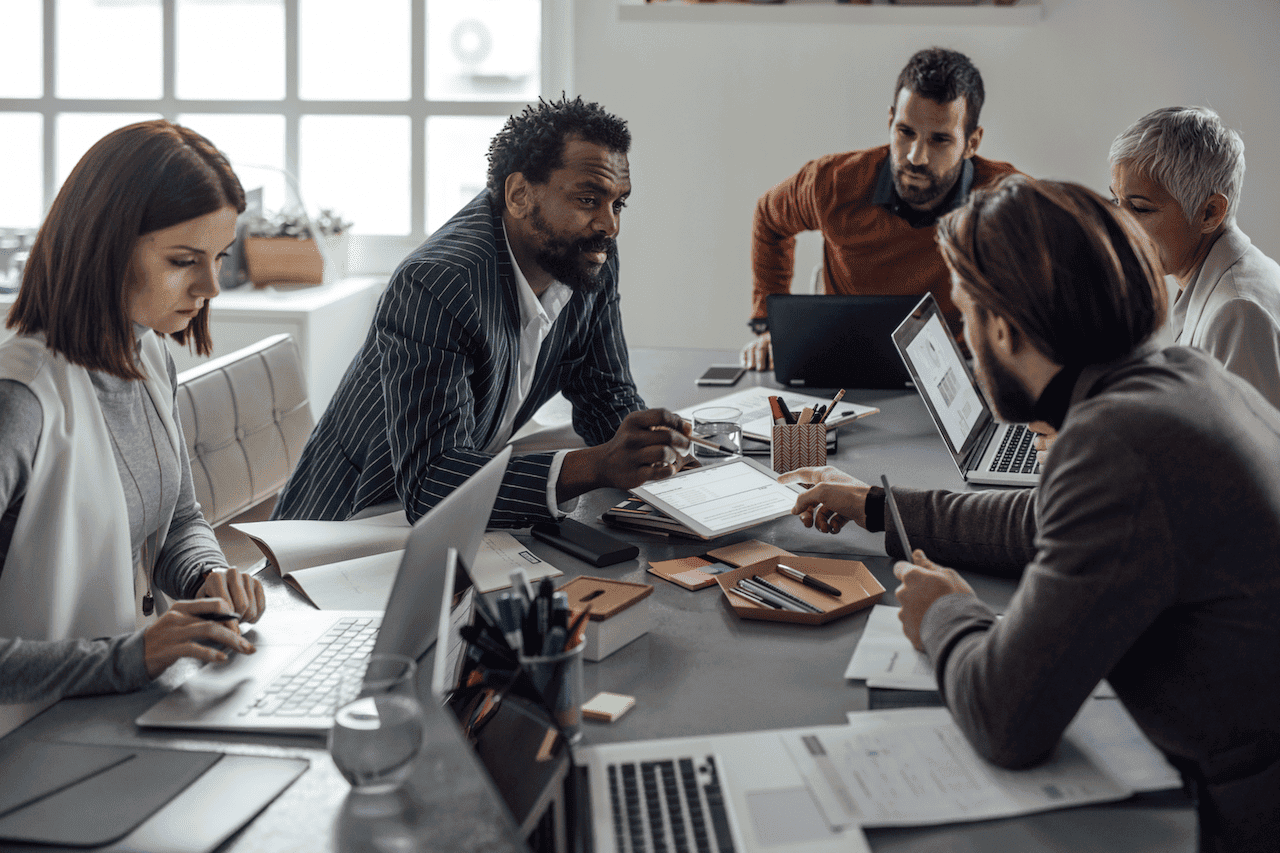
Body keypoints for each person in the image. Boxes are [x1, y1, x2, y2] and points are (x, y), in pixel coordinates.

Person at [784, 176, 1280, 852]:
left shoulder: (1120, 441)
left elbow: (1004, 718)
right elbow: (1046, 519)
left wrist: (943, 612)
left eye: (965, 321)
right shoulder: (1175, 378)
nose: (965, 345)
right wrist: (878, 506)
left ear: (1007, 329)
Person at [272, 96, 689, 528]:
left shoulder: (585, 255)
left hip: (457, 496)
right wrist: (597, 465)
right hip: (353, 523)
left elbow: (604, 392)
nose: (609, 225)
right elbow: (432, 485)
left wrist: (648, 453)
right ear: (520, 194)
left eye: (618, 203)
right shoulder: (437, 283)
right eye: (588, 199)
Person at [0, 121, 266, 724]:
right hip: (25, 735)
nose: (209, 286)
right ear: (105, 245)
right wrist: (127, 659)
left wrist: (207, 576)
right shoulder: (20, 402)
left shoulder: (148, 352)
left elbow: (178, 519)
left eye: (218, 258)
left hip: (111, 712)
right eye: (182, 260)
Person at [741, 46, 1018, 370]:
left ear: (971, 142)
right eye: (905, 132)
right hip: (846, 363)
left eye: (939, 140)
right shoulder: (831, 183)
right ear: (890, 121)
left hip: (960, 368)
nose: (916, 157)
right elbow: (768, 218)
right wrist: (767, 325)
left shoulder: (1006, 198)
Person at [1110, 106, 1280, 409]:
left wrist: (1096, 449)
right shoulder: (1218, 281)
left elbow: (1243, 454)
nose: (1118, 224)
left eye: (1139, 208)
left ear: (1209, 213)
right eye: (1116, 201)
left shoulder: (1237, 313)